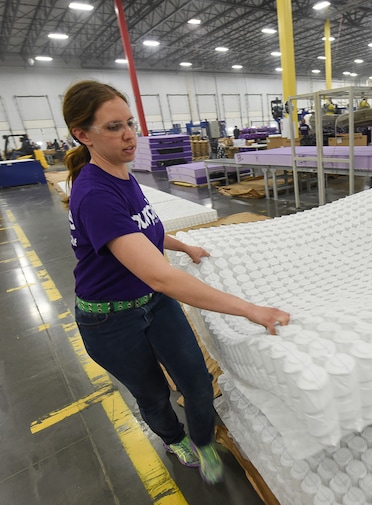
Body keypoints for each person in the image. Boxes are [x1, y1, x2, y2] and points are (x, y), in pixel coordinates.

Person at [61, 80, 290, 485]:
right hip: (110, 323)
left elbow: (142, 230)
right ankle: (174, 439)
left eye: (129, 123)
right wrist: (250, 309)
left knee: (198, 383)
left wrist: (183, 244)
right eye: (114, 127)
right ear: (83, 134)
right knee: (152, 394)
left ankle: (203, 442)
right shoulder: (94, 193)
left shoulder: (121, 174)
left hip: (152, 305)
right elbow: (159, 275)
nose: (129, 135)